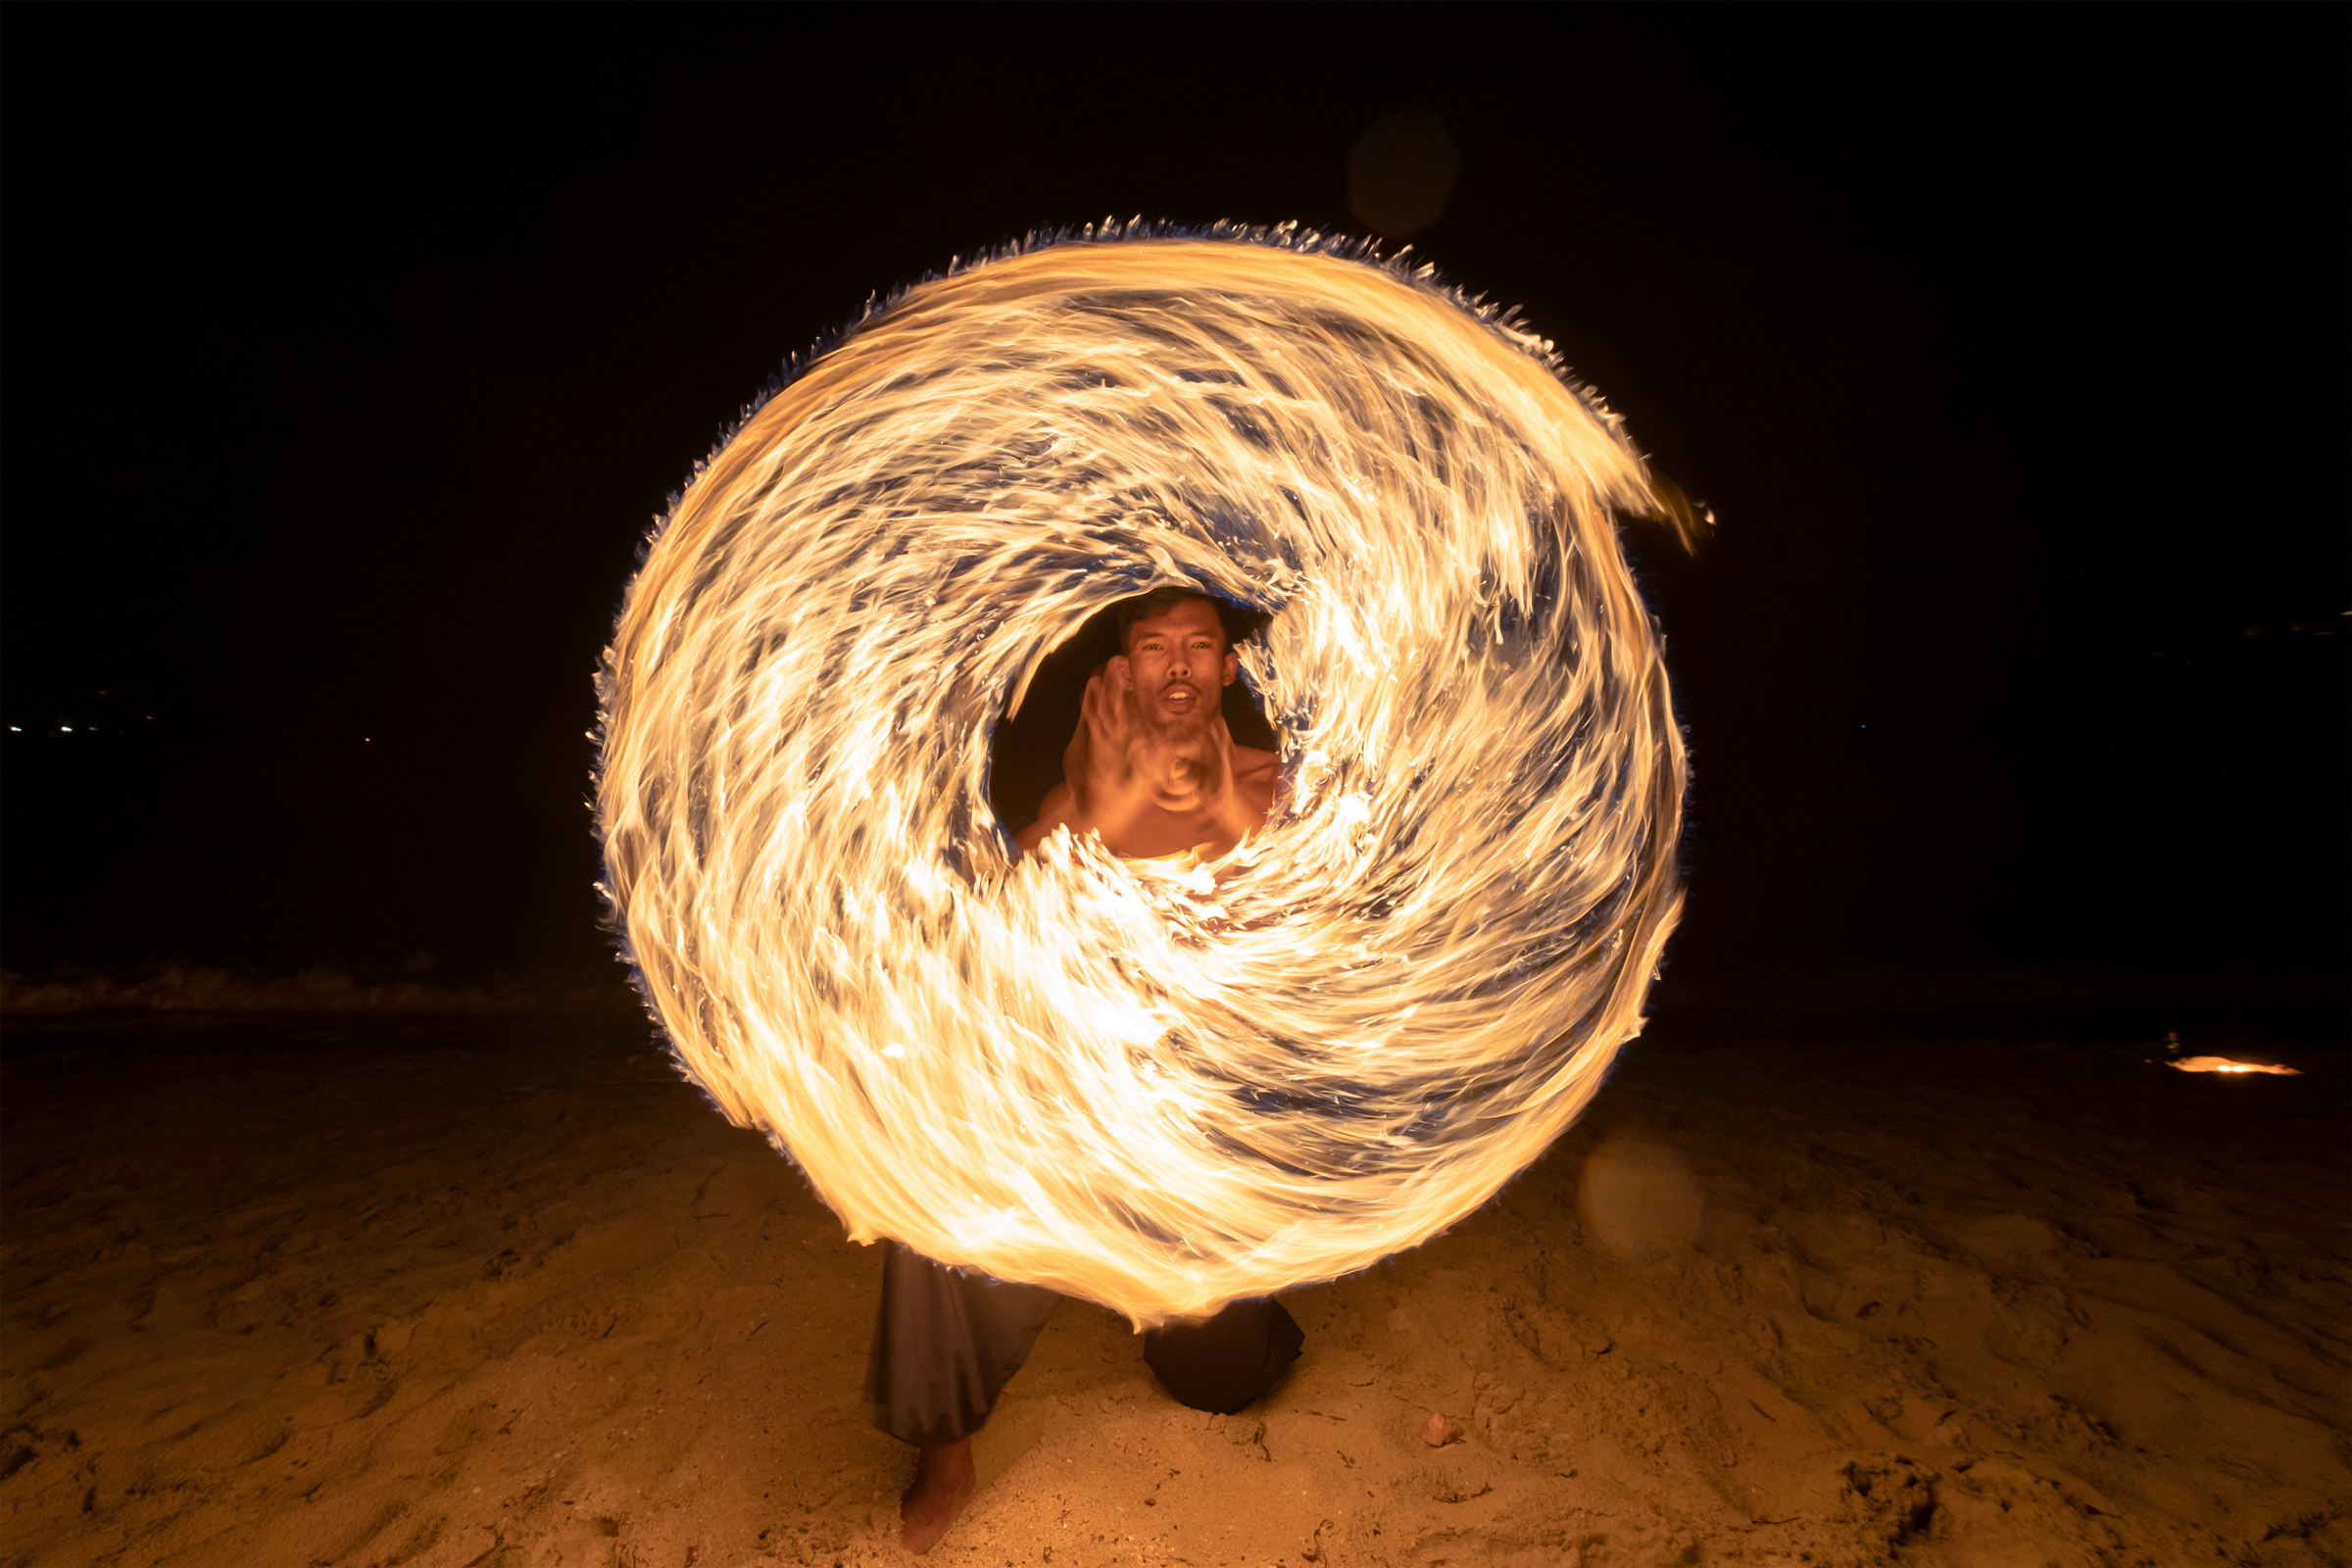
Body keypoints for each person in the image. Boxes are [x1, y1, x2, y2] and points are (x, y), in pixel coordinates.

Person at [869, 588, 1296, 1552]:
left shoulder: (1274, 786)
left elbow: (1292, 909)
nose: (1179, 665)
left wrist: (1200, 796)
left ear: (1229, 668)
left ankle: (1187, 1307)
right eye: (1154, 648)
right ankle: (946, 1455)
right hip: (1080, 1120)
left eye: (1200, 647)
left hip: (1202, 1149)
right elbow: (976, 939)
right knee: (929, 1153)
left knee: (1221, 1382)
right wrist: (1089, 823)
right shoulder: (1081, 797)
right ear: (1123, 672)